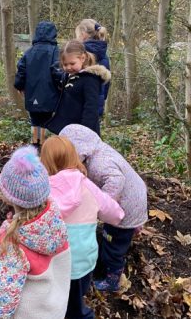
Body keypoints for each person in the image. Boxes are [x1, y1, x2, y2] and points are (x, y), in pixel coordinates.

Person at [41, 136, 125, 318]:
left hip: (53, 261)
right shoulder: (88, 186)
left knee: (57, 301)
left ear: (45, 162)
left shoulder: (43, 190)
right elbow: (114, 214)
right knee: (75, 301)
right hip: (84, 261)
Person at [0, 146, 71, 319]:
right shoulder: (54, 220)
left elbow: (4, 297)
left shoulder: (13, 244)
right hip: (55, 310)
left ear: (9, 194)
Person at [59, 124, 148, 292]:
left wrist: (100, 203)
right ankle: (131, 229)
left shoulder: (99, 163)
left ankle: (112, 279)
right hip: (135, 198)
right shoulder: (100, 151)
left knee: (112, 245)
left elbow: (116, 180)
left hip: (125, 209)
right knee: (118, 237)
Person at [46, 40, 110, 136]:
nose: (68, 67)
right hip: (67, 128)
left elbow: (91, 108)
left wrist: (84, 131)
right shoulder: (68, 76)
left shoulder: (90, 79)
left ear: (83, 58)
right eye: (65, 64)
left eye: (72, 64)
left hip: (83, 131)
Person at [14, 21, 61, 148]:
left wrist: (19, 86)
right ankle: (48, 151)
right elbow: (58, 72)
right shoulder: (55, 51)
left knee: (35, 123)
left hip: (32, 96)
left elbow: (21, 72)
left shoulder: (29, 52)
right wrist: (62, 87)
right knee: (49, 122)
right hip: (51, 96)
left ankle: (36, 148)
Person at [75, 19, 110, 116]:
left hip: (79, 104)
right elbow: (107, 83)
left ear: (83, 34)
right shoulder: (104, 55)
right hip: (96, 105)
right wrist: (101, 99)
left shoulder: (79, 53)